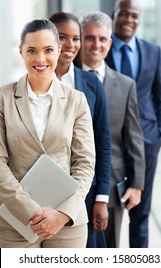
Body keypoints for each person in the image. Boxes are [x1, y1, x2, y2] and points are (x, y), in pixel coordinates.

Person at [0, 18, 96, 248]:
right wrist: (31, 211)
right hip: (15, 223)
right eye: (32, 50)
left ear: (59, 51)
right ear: (21, 52)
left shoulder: (76, 100)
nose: (40, 59)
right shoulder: (3, 99)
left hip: (67, 224)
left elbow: (85, 164)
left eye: (48, 50)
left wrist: (61, 215)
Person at [105, 0, 161, 247]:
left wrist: (159, 135)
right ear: (114, 14)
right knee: (109, 215)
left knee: (141, 215)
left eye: (134, 15)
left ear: (139, 19)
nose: (129, 20)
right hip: (111, 145)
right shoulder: (102, 47)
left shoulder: (153, 51)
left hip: (147, 142)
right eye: (124, 14)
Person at [80, 11, 145, 248]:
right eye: (89, 37)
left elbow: (134, 139)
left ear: (110, 43)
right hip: (73, 185)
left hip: (112, 184)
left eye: (102, 39)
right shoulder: (66, 80)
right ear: (80, 39)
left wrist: (137, 185)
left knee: (110, 250)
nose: (95, 44)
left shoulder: (126, 85)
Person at [49, 12, 111, 247]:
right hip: (45, 188)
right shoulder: (34, 81)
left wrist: (102, 198)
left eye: (76, 38)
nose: (70, 45)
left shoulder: (92, 84)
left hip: (86, 190)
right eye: (62, 37)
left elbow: (102, 142)